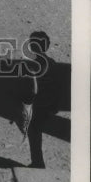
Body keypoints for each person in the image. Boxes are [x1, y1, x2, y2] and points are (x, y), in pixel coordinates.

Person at [17, 31, 63, 168]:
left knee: (34, 131)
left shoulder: (31, 65)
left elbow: (30, 89)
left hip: (37, 107)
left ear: (31, 46)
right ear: (47, 47)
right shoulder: (52, 63)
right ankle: (38, 161)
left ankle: (38, 162)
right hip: (49, 105)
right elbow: (58, 86)